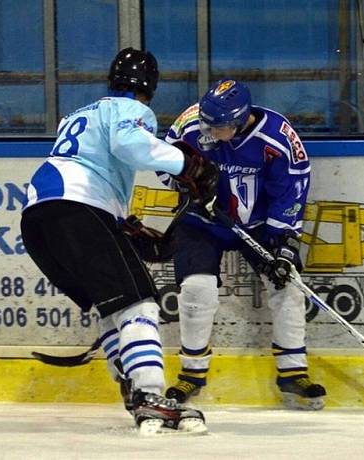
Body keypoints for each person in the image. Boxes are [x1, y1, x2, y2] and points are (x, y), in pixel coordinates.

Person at [20, 48, 218, 434]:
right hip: (78, 207)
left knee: (112, 304)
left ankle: (131, 387)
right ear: (150, 87)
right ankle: (150, 395)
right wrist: (187, 163)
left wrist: (123, 228)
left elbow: (92, 166)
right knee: (139, 301)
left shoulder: (79, 115)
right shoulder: (130, 110)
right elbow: (130, 145)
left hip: (39, 219)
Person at [161, 79, 327, 410]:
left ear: (239, 120)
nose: (208, 130)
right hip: (203, 222)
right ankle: (192, 373)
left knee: (288, 285)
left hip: (259, 225)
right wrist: (187, 180)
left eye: (217, 126)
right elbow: (163, 161)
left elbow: (293, 186)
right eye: (206, 122)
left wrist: (284, 243)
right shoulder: (192, 122)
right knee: (196, 290)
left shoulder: (277, 137)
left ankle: (293, 373)